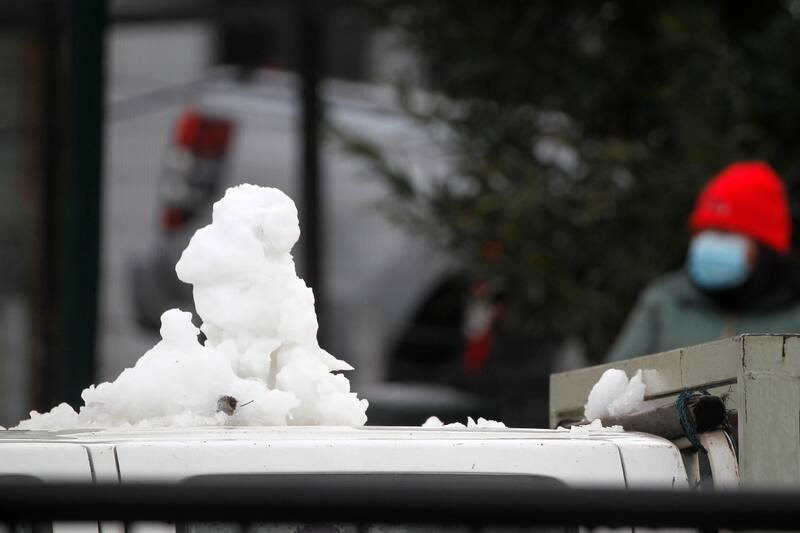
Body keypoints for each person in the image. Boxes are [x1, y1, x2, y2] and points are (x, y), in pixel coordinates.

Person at [606, 161, 800, 362]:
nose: (710, 243)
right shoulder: (664, 302)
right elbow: (612, 377)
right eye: (704, 231)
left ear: (764, 247)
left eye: (725, 233)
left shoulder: (794, 316)